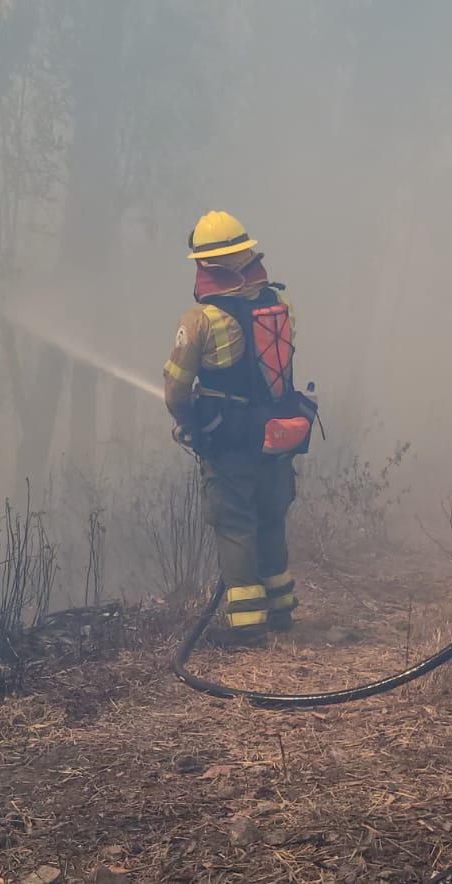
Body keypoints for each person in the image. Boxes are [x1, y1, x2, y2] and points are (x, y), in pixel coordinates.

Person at [163, 211, 317, 648]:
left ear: (207, 266)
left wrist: (188, 423)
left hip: (229, 445)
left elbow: (176, 391)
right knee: (271, 519)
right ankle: (282, 611)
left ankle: (248, 627)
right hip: (276, 436)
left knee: (234, 524)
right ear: (249, 256)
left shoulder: (200, 321)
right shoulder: (279, 306)